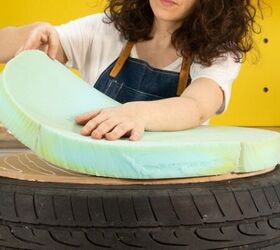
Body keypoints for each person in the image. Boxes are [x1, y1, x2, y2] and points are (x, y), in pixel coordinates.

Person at [0, 0, 261, 141]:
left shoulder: (218, 51)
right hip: (93, 177)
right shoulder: (107, 30)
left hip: (174, 188)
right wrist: (38, 30)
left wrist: (138, 113)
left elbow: (197, 106)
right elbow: (19, 45)